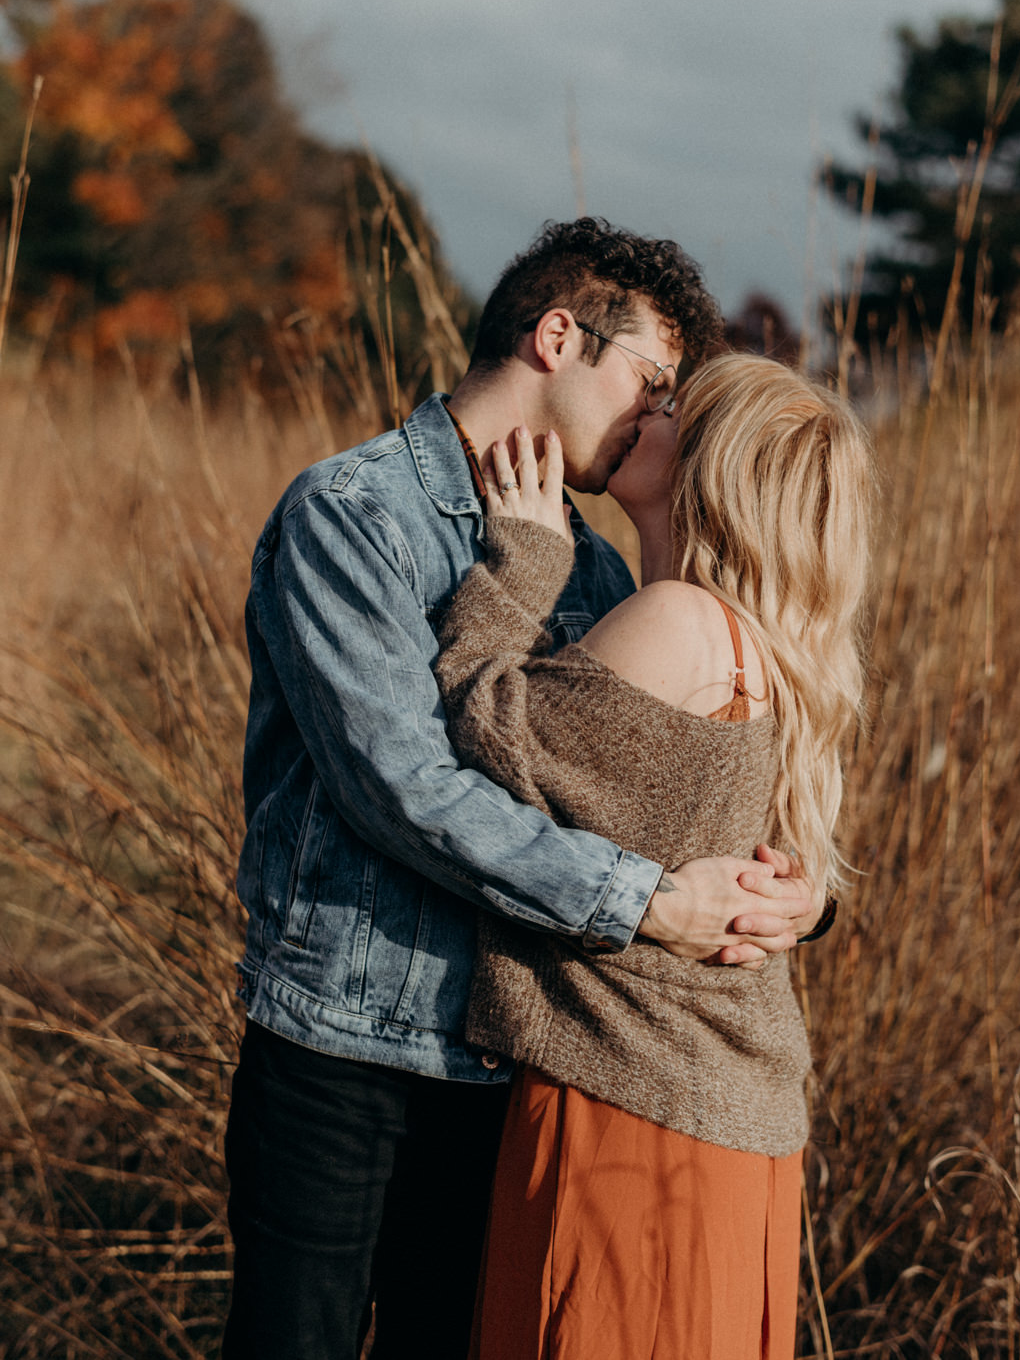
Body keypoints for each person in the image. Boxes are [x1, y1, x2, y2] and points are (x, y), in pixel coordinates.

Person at [221, 220, 821, 1360]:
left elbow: (657, 781)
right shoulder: (353, 514)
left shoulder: (592, 564)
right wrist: (644, 900)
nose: (655, 416)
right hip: (343, 1051)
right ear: (558, 337)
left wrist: (790, 896)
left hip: (513, 1064)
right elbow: (401, 787)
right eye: (650, 379)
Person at [434, 352, 874, 1360]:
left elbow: (482, 737)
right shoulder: (768, 650)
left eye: (673, 407)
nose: (645, 410)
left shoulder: (679, 622)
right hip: (720, 1119)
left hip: (632, 1109)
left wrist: (522, 561)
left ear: (710, 468)